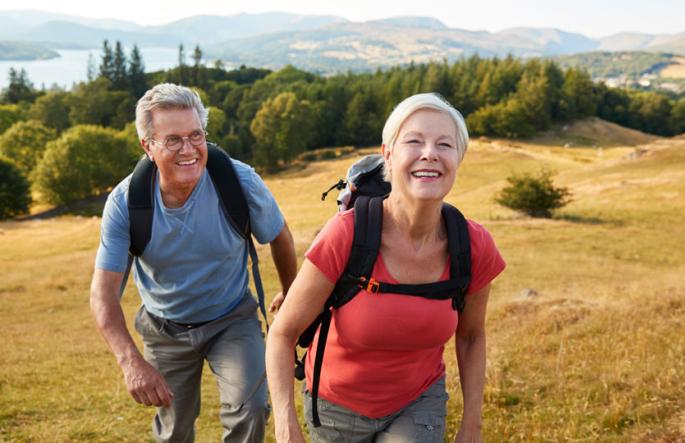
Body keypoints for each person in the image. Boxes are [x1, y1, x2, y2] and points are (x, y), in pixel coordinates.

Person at [266, 93, 506, 442]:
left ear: (458, 159)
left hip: (418, 400)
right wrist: (286, 427)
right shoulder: (347, 234)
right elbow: (282, 334)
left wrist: (472, 425)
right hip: (336, 404)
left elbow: (470, 336)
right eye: (414, 141)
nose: (430, 153)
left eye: (444, 144)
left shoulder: (472, 245)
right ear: (388, 156)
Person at [89, 83, 297, 443]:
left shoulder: (240, 181)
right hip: (164, 328)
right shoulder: (126, 203)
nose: (189, 149)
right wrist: (131, 363)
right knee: (174, 431)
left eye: (195, 135)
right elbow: (103, 294)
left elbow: (279, 237)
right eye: (172, 140)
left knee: (250, 409)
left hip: (232, 318)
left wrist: (291, 294)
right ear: (148, 146)